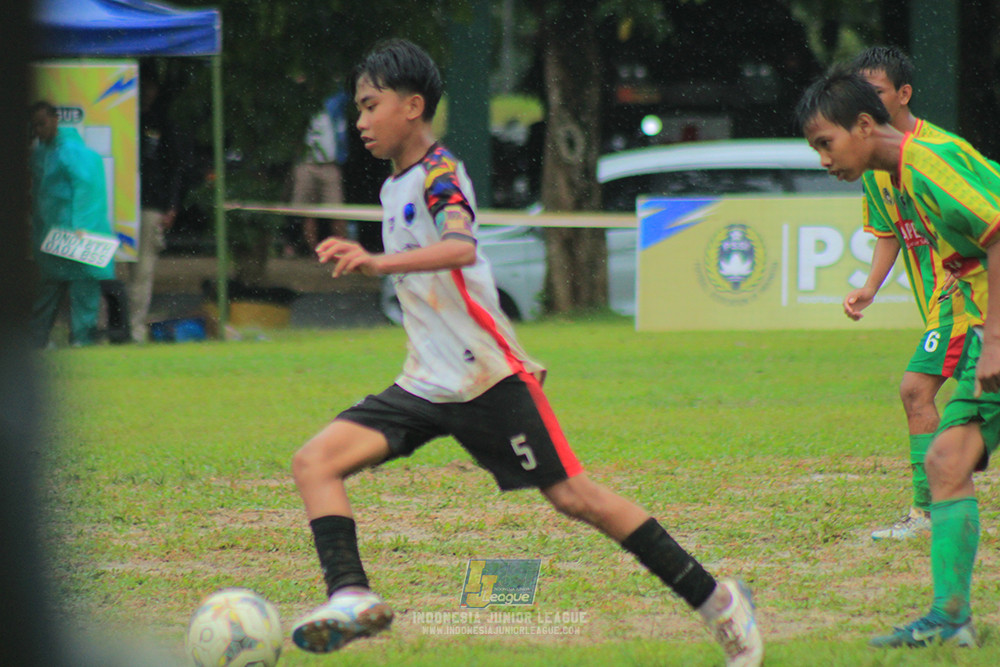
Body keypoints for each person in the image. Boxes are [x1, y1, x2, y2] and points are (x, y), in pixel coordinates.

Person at [289, 39, 764, 666]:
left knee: (576, 499)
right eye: (358, 109)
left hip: (486, 379)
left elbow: (460, 247)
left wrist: (376, 260)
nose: (360, 122)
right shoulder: (393, 185)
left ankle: (716, 601)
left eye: (369, 106)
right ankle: (350, 595)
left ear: (412, 106)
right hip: (425, 384)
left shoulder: (440, 175)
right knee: (314, 463)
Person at [797, 67, 1000, 649]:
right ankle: (950, 618)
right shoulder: (898, 177)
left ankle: (950, 617)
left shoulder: (930, 163)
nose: (822, 159)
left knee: (946, 457)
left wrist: (995, 337)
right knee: (947, 462)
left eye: (825, 143)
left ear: (865, 125)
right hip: (981, 330)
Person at [842, 46, 981, 541]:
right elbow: (890, 232)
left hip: (966, 298)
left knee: (915, 390)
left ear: (904, 94)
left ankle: (927, 512)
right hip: (940, 305)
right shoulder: (873, 161)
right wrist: (870, 286)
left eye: (877, 92)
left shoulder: (937, 153)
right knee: (974, 404)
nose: (868, 103)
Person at [28, 101, 115, 347]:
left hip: (72, 235)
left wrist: (82, 225)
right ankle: (38, 340)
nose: (38, 131)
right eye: (34, 126)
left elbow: (87, 188)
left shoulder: (70, 151)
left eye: (42, 124)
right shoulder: (44, 153)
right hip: (52, 235)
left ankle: (82, 339)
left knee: (82, 289)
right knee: (49, 290)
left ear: (55, 120)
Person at [119, 76, 192, 343]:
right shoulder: (117, 117)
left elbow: (175, 167)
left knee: (143, 270)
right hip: (116, 204)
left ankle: (135, 329)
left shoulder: (162, 123)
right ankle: (109, 328)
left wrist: (171, 204)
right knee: (111, 270)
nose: (147, 92)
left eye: (150, 87)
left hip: (150, 204)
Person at [286, 86, 351, 255]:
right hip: (306, 163)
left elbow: (347, 94)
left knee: (337, 211)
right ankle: (315, 252)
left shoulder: (334, 101)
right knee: (305, 212)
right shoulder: (301, 105)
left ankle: (343, 250)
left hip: (330, 164)